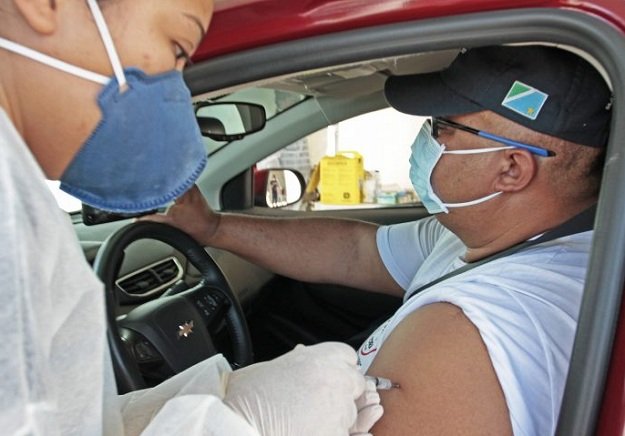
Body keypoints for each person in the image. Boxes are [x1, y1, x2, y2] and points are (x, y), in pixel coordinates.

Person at [147, 44, 612, 435]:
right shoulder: (492, 236)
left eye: (442, 127)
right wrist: (213, 229)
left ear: (511, 169)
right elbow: (356, 252)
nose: (425, 138)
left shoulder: (471, 330)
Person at [0, 0, 384, 435]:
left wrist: (212, 403)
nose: (177, 90)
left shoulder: (20, 203)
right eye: (178, 49)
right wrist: (245, 422)